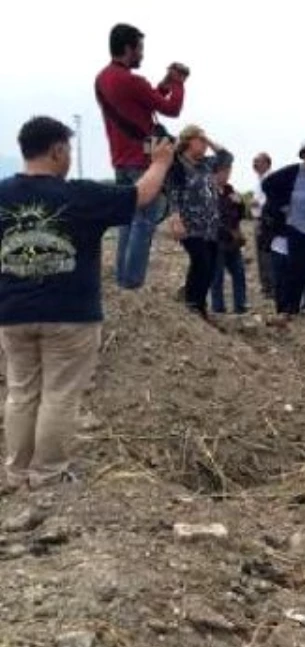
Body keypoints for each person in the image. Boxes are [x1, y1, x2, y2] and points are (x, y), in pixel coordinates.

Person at [0, 117, 174, 491]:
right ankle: (47, 475)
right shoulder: (79, 195)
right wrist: (159, 162)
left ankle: (15, 474)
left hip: (12, 314)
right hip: (70, 315)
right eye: (69, 150)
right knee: (59, 394)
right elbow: (141, 195)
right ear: (58, 150)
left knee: (21, 392)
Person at [95, 23, 188, 290]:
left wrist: (162, 86)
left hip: (120, 159)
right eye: (140, 49)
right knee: (145, 220)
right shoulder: (133, 81)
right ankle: (132, 282)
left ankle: (122, 279)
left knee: (127, 218)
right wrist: (178, 84)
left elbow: (140, 105)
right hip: (143, 161)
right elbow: (171, 109)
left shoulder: (102, 79)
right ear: (128, 48)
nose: (142, 55)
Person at [161, 125, 229, 319]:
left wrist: (208, 141)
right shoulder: (177, 165)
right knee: (202, 263)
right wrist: (175, 218)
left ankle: (198, 304)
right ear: (188, 141)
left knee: (211, 267)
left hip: (211, 226)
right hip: (190, 225)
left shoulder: (207, 164)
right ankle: (193, 303)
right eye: (200, 140)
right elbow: (173, 193)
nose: (204, 144)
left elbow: (227, 157)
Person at [262, 141, 305, 318]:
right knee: (296, 269)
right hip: (297, 226)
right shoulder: (293, 172)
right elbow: (268, 184)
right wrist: (282, 205)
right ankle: (289, 310)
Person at [210, 154, 249, 315]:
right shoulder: (207, 192)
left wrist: (240, 204)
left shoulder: (230, 190)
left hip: (233, 242)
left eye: (229, 171)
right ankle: (218, 309)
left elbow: (239, 215)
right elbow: (212, 219)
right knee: (217, 277)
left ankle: (241, 306)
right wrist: (228, 232)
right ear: (215, 172)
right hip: (216, 241)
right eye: (224, 171)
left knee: (239, 274)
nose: (227, 175)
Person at [249, 152, 274, 297]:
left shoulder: (270, 179)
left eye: (257, 161)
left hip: (266, 221)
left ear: (266, 163)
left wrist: (258, 203)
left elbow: (273, 200)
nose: (254, 164)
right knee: (260, 254)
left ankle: (270, 287)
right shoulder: (259, 180)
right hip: (257, 220)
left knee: (266, 254)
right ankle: (266, 286)